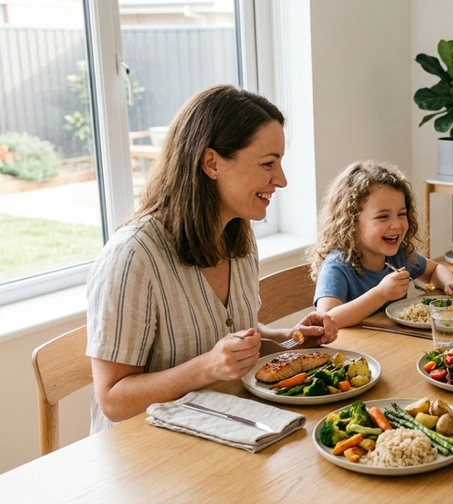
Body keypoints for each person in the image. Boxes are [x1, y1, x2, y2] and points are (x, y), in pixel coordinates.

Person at [87, 85, 337, 433]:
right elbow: (113, 401)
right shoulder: (132, 256)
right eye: (268, 163)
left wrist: (288, 338)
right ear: (212, 163)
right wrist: (206, 368)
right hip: (144, 451)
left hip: (222, 425)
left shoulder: (239, 237)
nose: (281, 180)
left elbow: (232, 334)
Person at [309, 160, 453, 327]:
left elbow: (434, 270)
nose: (397, 225)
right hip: (356, 344)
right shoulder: (337, 266)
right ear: (351, 222)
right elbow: (326, 319)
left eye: (401, 214)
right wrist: (380, 294)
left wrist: (450, 283)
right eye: (383, 217)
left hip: (393, 341)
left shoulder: (398, 256)